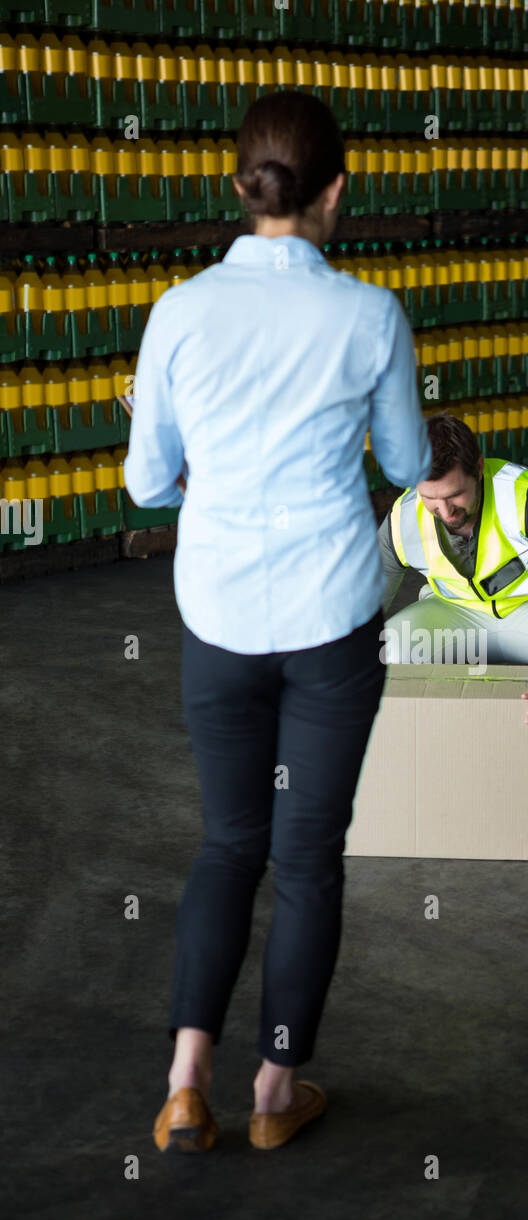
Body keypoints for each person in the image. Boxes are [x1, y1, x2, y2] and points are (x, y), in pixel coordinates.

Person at [123, 91, 431, 1153]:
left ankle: (182, 1081)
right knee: (306, 858)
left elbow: (145, 482)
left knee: (225, 846)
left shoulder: (179, 310)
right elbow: (401, 465)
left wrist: (212, 479)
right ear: (335, 190)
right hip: (330, 621)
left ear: (238, 184)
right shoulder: (369, 314)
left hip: (217, 617)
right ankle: (273, 1091)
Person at [378, 412, 528, 809]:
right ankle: (428, 741)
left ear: (478, 468)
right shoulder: (403, 517)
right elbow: (366, 608)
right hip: (456, 618)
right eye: (431, 498)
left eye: (455, 495)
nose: (445, 511)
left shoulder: (524, 494)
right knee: (388, 646)